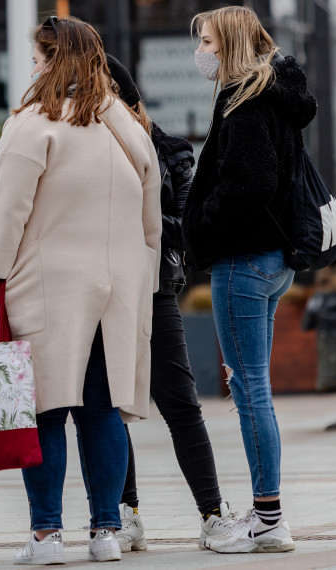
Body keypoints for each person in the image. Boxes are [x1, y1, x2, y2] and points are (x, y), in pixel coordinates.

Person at [0, 15, 161, 565]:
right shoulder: (128, 128)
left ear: (54, 60)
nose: (32, 67)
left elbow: (7, 215)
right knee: (103, 410)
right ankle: (106, 531)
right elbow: (151, 221)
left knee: (45, 410)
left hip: (46, 286)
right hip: (119, 288)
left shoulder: (33, 125)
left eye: (37, 57)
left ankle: (46, 535)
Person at [182, 6, 317, 553]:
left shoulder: (244, 105)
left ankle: (268, 517)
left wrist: (202, 224)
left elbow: (248, 186)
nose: (203, 52)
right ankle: (268, 513)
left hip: (242, 261)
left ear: (231, 45)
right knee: (253, 386)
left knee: (250, 388)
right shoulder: (277, 96)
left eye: (209, 42)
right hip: (273, 260)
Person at [103, 55, 235, 554]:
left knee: (180, 403)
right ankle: (125, 511)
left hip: (155, 289)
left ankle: (213, 512)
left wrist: (148, 240)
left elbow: (186, 221)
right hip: (103, 291)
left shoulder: (170, 152)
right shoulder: (88, 145)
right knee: (108, 408)